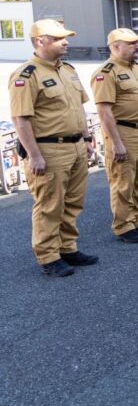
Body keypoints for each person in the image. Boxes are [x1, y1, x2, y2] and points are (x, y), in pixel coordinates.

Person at [8, 19, 98, 276]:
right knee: (50, 205)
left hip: (75, 146)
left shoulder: (68, 70)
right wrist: (34, 155)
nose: (66, 42)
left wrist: (87, 139)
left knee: (73, 202)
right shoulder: (26, 75)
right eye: (59, 38)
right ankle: (48, 256)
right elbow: (21, 119)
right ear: (40, 41)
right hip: (49, 149)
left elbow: (78, 107)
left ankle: (67, 248)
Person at [91, 28, 138, 244]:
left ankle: (137, 218)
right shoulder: (106, 72)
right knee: (123, 182)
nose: (136, 46)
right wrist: (116, 142)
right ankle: (123, 225)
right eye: (131, 43)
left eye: (137, 43)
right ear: (115, 47)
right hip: (124, 133)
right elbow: (104, 111)